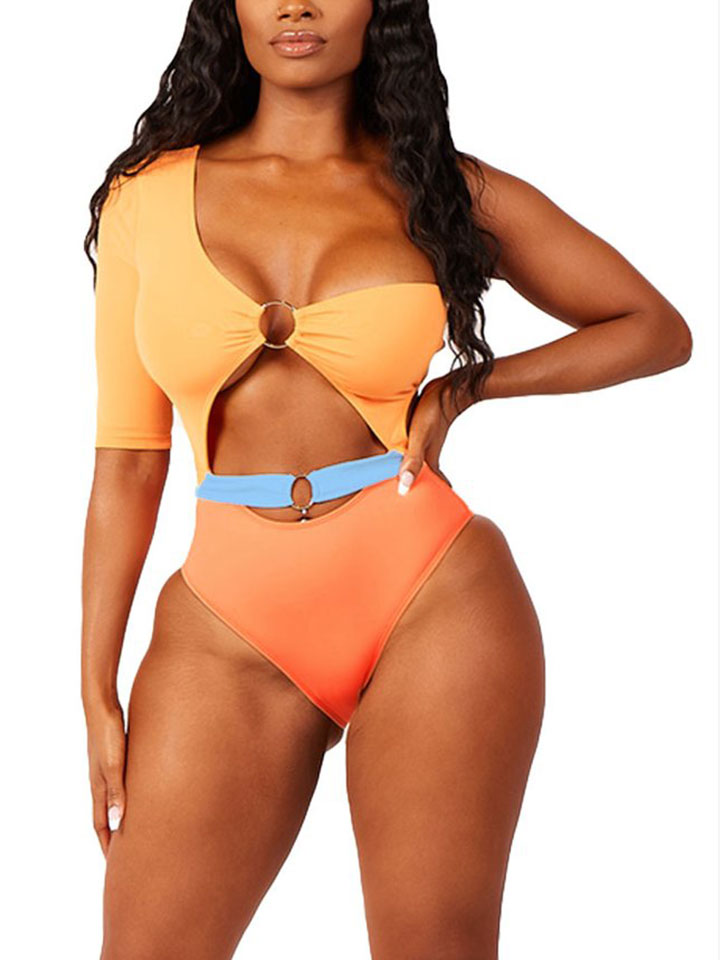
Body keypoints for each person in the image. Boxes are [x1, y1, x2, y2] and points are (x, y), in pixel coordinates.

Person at [81, 2, 692, 957]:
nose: (296, 6)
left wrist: (465, 387)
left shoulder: (439, 188)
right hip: (224, 620)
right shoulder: (144, 199)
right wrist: (95, 688)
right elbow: (128, 458)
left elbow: (652, 327)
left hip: (431, 595)